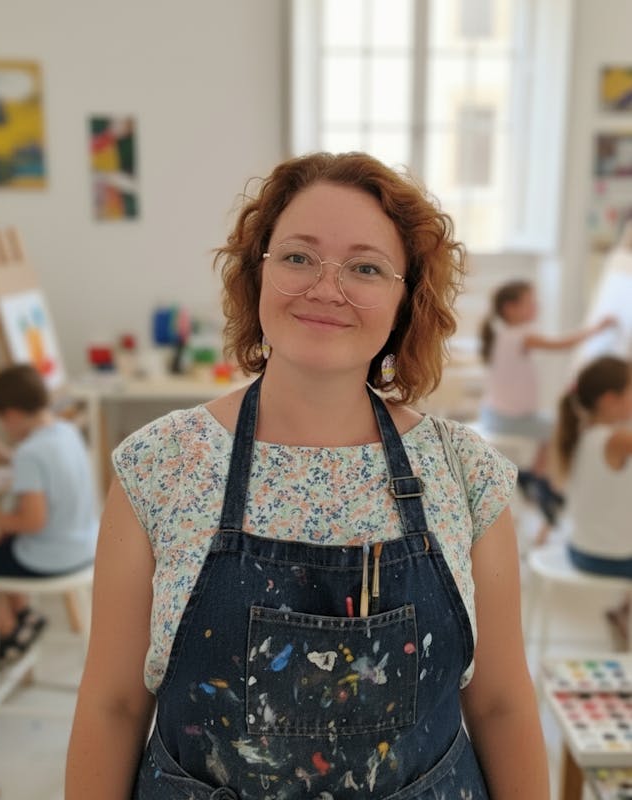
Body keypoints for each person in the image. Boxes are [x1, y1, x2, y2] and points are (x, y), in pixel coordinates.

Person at [66, 152, 549, 799]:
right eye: (298, 257)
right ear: (257, 273)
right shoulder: (160, 467)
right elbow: (112, 706)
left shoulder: (466, 473)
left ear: (406, 300)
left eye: (366, 267)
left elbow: (502, 706)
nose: (326, 287)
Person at [0, 364, 98, 665]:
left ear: (12, 415)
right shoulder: (66, 430)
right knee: (4, 543)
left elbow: (32, 523)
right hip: (86, 547)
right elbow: (49, 472)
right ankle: (25, 616)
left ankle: (11, 633)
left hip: (55, 558)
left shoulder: (29, 453)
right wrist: (6, 456)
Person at [479, 279, 615, 529]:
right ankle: (540, 482)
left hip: (495, 413)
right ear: (510, 308)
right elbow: (562, 344)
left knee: (548, 426)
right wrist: (598, 328)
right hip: (509, 418)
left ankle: (534, 477)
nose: (537, 306)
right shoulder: (522, 335)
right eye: (530, 302)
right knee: (560, 428)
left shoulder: (501, 332)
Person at [555, 354, 632, 647]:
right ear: (611, 400)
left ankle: (623, 613)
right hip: (606, 559)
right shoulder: (617, 440)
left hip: (580, 548)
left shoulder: (585, 433)